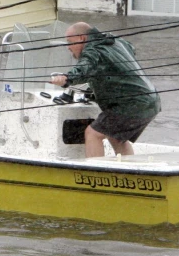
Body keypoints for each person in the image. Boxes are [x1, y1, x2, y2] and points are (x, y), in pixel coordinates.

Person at [50, 22, 161, 157]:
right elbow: (129, 51)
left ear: (81, 38)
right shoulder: (114, 40)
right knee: (116, 137)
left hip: (131, 104)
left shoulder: (93, 50)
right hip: (151, 101)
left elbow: (84, 69)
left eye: (69, 42)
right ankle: (128, 170)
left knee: (93, 133)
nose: (68, 47)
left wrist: (66, 78)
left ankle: (95, 174)